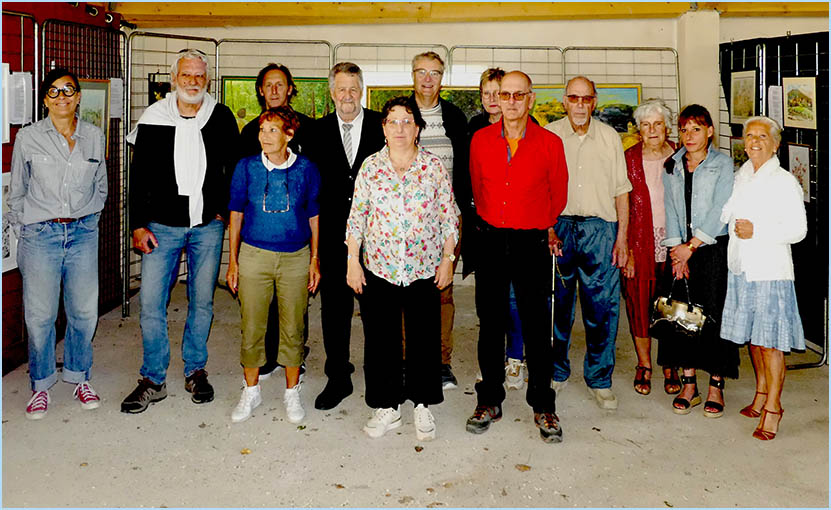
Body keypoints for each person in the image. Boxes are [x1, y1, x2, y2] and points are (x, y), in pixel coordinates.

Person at [122, 49, 239, 413]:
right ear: (174, 79)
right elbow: (138, 176)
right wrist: (137, 225)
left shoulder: (220, 116)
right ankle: (153, 378)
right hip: (162, 226)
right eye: (186, 75)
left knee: (202, 302)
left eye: (199, 76)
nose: (193, 81)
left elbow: (233, 167)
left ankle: (195, 370)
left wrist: (222, 210)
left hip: (206, 227)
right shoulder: (154, 117)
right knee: (151, 303)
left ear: (208, 80)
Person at [345, 96, 459, 440]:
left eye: (407, 121)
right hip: (380, 268)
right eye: (392, 121)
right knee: (382, 341)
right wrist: (353, 261)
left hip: (424, 269)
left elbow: (449, 217)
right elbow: (357, 218)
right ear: (383, 128)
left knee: (424, 339)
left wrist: (448, 259)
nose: (400, 128)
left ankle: (423, 404)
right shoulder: (370, 167)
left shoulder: (433, 167)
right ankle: (388, 406)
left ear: (418, 129)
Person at [467, 71, 569, 443]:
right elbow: (477, 187)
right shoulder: (480, 141)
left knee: (537, 325)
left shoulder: (550, 143)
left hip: (531, 241)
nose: (510, 101)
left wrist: (535, 221)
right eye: (505, 95)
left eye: (518, 95)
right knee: (490, 323)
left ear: (530, 99)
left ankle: (543, 403)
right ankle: (489, 399)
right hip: (492, 239)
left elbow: (558, 194)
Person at [8, 68, 107, 419]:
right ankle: (41, 384)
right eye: (54, 91)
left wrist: (89, 220)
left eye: (68, 90)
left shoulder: (94, 136)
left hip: (82, 234)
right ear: (45, 100)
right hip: (40, 237)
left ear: (78, 97)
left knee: (84, 312)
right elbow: (16, 191)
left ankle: (79, 376)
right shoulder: (28, 137)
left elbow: (101, 185)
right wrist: (28, 226)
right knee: (40, 316)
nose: (61, 97)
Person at [226, 106, 321, 423]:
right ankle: (251, 390)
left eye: (272, 130)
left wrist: (314, 260)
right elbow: (236, 213)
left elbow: (314, 215)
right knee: (252, 325)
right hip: (254, 255)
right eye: (261, 130)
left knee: (293, 327)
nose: (264, 136)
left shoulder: (306, 169)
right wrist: (233, 261)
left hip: (296, 257)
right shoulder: (246, 167)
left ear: (288, 135)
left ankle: (292, 392)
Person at [546, 76, 632, 410]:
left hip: (601, 229)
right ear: (564, 101)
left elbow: (621, 191)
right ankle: (556, 370)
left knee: (602, 308)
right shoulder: (550, 135)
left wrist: (622, 238)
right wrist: (548, 230)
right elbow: (540, 188)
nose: (580, 105)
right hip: (560, 228)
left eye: (586, 99)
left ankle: (599, 379)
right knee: (557, 306)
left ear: (594, 102)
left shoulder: (610, 137)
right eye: (574, 98)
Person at [720, 116, 806, 439]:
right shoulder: (741, 175)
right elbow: (728, 211)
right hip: (742, 268)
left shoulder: (784, 182)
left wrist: (757, 230)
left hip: (770, 271)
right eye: (750, 136)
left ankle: (773, 407)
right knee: (754, 339)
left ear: (775, 144)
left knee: (770, 344)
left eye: (762, 137)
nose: (754, 141)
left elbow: (798, 230)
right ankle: (760, 393)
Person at [310, 62, 385, 411]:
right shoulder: (316, 131)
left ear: (362, 90)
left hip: (377, 237)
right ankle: (338, 377)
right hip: (332, 237)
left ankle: (378, 378)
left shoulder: (382, 126)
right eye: (341, 89)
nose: (348, 95)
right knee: (334, 311)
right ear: (332, 93)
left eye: (353, 88)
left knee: (376, 312)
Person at [658, 104, 736, 417]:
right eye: (684, 129)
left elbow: (722, 209)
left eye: (696, 129)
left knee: (714, 315)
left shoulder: (723, 164)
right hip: (681, 250)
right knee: (682, 317)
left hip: (712, 247)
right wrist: (677, 252)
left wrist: (692, 246)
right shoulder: (672, 164)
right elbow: (671, 209)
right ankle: (689, 384)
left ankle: (716, 385)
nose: (689, 136)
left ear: (710, 132)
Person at [239, 63, 314, 382]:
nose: (273, 90)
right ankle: (266, 357)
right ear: (260, 90)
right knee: (261, 303)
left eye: (280, 84)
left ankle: (295, 354)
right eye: (267, 85)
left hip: (295, 236)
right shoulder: (249, 132)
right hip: (260, 235)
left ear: (290, 89)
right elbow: (241, 186)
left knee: (293, 304)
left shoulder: (308, 129)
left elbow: (313, 187)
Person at [467, 67, 539, 390]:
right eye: (488, 94)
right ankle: (491, 364)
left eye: (501, 93)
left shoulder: (533, 131)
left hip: (522, 230)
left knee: (516, 301)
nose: (495, 100)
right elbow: (472, 179)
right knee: (489, 305)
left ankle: (515, 359)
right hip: (487, 228)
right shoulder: (476, 130)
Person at [406, 51, 468, 390]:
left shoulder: (454, 117)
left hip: (447, 220)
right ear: (412, 75)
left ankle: (441, 362)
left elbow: (465, 170)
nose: (428, 79)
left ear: (442, 78)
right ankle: (407, 361)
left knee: (442, 292)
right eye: (422, 72)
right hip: (406, 220)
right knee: (405, 292)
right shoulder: (400, 113)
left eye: (435, 73)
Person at [621, 99, 680, 396]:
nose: (652, 130)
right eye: (646, 125)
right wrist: (627, 249)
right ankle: (644, 364)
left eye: (658, 124)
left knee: (672, 305)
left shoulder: (681, 155)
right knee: (639, 303)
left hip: (674, 243)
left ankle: (670, 364)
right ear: (638, 129)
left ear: (667, 127)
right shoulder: (628, 159)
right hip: (640, 244)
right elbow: (621, 207)